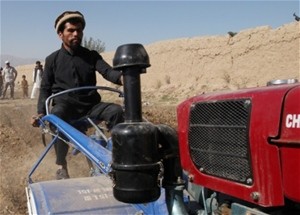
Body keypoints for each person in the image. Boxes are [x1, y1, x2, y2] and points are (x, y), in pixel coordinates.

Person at [31, 11, 124, 180]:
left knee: (117, 111)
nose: (76, 34)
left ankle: (119, 160)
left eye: (79, 30)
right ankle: (62, 166)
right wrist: (41, 112)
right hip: (66, 107)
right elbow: (45, 88)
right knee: (57, 116)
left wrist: (122, 77)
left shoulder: (91, 56)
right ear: (60, 34)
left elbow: (108, 71)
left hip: (91, 107)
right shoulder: (52, 59)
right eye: (71, 30)